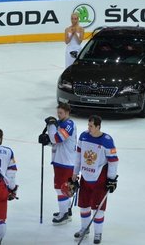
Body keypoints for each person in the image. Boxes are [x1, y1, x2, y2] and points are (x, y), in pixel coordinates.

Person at [72, 115, 118, 244]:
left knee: (98, 209)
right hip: (85, 178)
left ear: (98, 126)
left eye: (91, 126)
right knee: (84, 206)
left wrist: (111, 179)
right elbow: (78, 156)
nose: (88, 128)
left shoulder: (107, 140)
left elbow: (113, 161)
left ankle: (98, 233)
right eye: (88, 125)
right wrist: (75, 173)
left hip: (100, 180)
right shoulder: (83, 136)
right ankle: (84, 229)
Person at [39, 102, 77, 225]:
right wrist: (46, 142)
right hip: (60, 161)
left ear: (67, 112)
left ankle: (64, 214)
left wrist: (50, 126)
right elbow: (56, 142)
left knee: (61, 188)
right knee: (62, 188)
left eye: (61, 113)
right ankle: (66, 210)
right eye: (58, 113)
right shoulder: (61, 124)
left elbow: (56, 138)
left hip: (66, 162)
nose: (59, 115)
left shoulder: (69, 125)